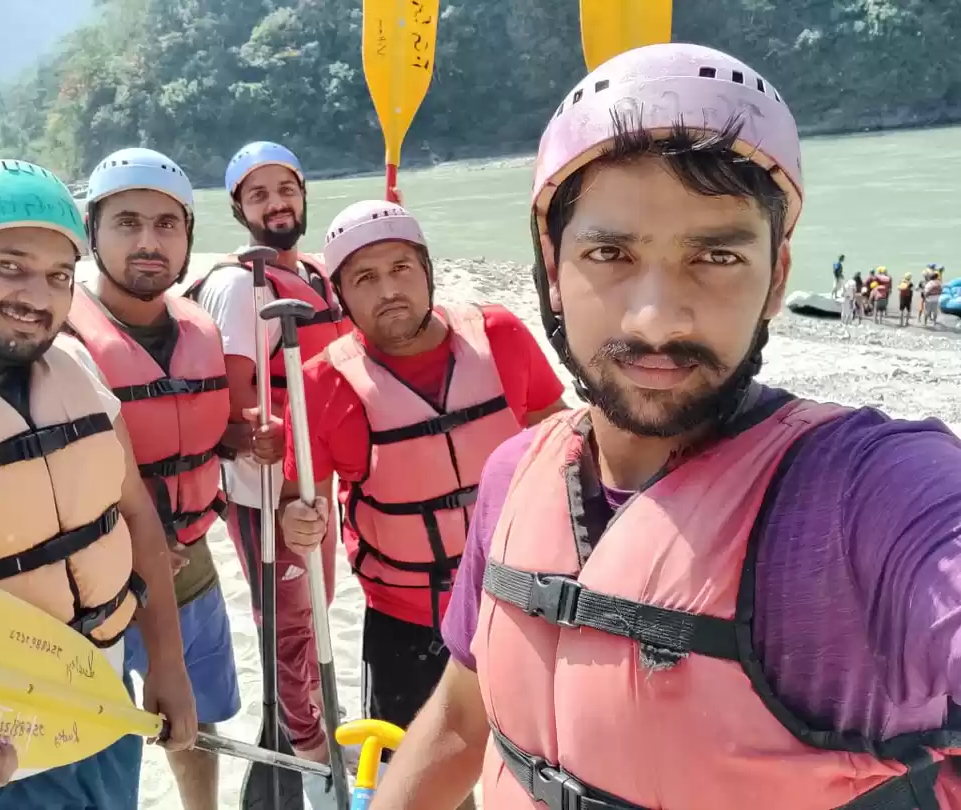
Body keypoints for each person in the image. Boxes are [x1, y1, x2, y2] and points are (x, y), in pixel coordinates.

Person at [364, 43, 961, 810]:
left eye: (714, 256)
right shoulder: (514, 476)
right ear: (552, 267)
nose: (655, 319)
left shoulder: (864, 497)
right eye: (610, 252)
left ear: (777, 277)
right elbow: (458, 720)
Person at [0, 159, 196, 809]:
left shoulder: (73, 365)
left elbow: (134, 512)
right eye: (9, 265)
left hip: (100, 722)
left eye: (58, 276)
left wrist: (168, 662)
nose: (37, 295)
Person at [278, 200, 567, 797]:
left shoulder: (500, 336)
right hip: (406, 620)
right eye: (365, 278)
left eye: (401, 268)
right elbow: (298, 502)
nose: (388, 291)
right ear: (340, 297)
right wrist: (298, 523)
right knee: (429, 784)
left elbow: (563, 441)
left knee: (535, 772)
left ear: (428, 270)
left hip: (518, 597)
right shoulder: (322, 383)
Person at [63, 148, 239, 810]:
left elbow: (185, 429)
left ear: (189, 236)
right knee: (99, 736)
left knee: (194, 716)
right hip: (92, 581)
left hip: (190, 562)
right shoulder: (59, 340)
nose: (148, 242)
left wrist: (241, 436)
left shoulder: (199, 326)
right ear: (92, 234)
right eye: (127, 222)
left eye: (168, 225)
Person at [186, 141, 348, 766]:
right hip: (266, 490)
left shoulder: (314, 275)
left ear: (303, 194)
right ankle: (302, 735)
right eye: (259, 194)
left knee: (317, 601)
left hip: (318, 472)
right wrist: (248, 432)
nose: (276, 203)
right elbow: (227, 411)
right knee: (287, 616)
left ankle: (307, 706)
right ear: (238, 208)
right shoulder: (235, 284)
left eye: (285, 189)